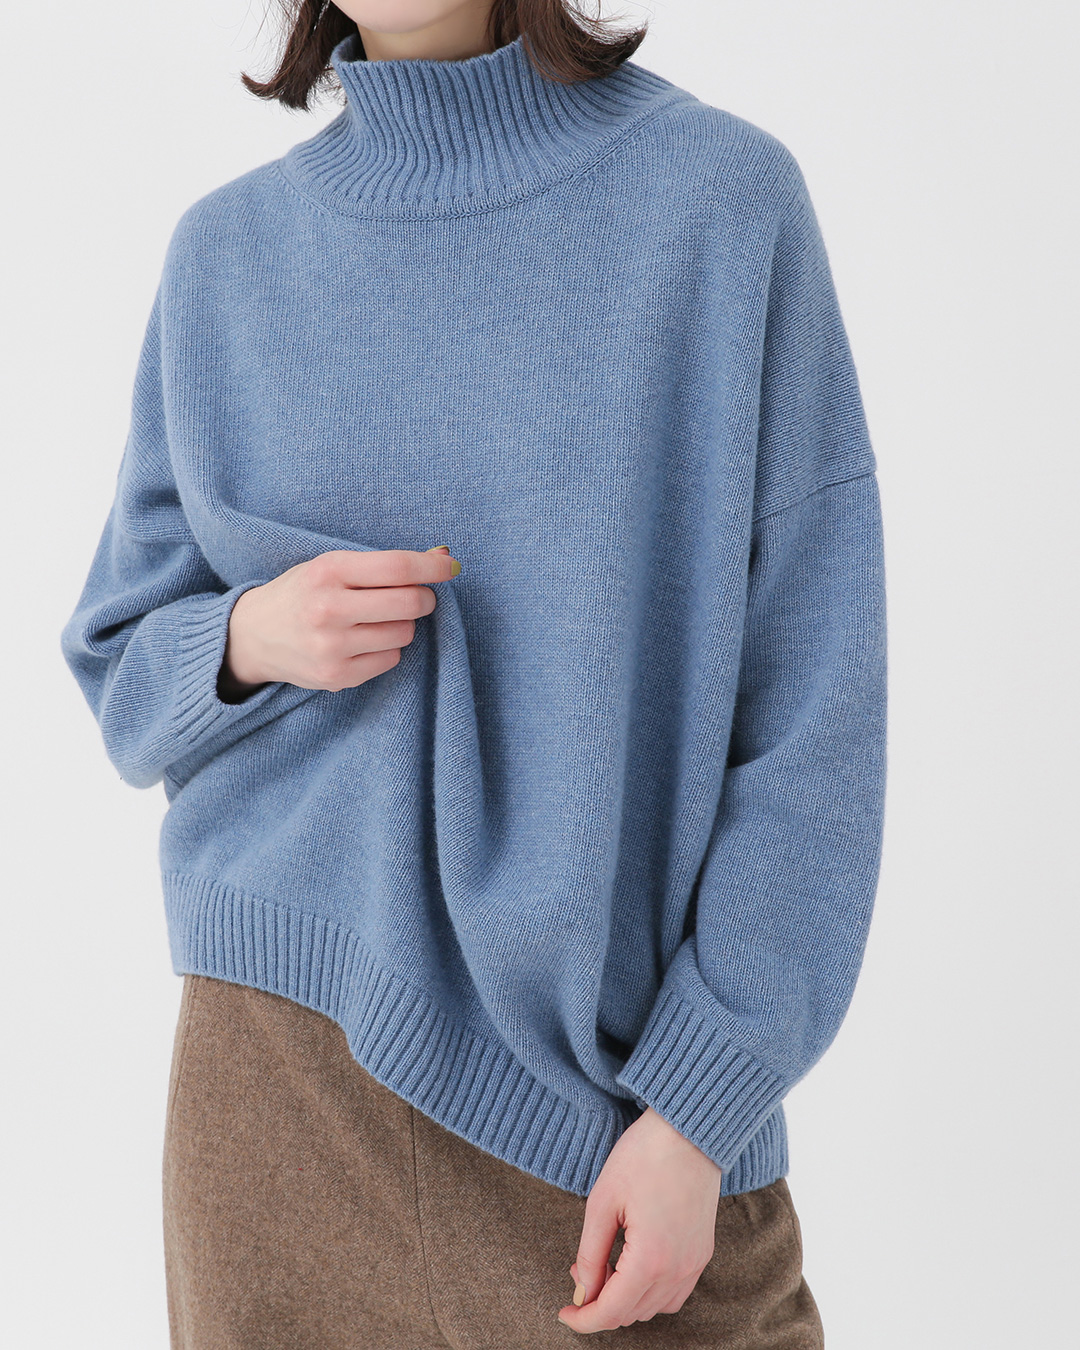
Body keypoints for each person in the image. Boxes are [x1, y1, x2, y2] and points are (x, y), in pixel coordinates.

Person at [59, 0, 887, 1345]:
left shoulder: (720, 204)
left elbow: (817, 720)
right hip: (281, 1085)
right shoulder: (229, 255)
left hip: (621, 1118)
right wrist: (249, 637)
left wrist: (698, 1108)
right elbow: (120, 665)